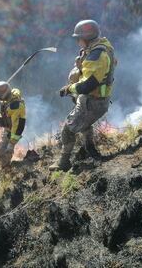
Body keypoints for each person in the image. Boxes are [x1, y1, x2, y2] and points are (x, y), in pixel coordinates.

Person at [49, 19, 116, 171]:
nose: (78, 42)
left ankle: (64, 162)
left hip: (93, 101)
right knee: (85, 125)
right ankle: (90, 150)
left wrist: (68, 89)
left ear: (86, 38)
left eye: (78, 39)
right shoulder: (100, 47)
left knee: (67, 129)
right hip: (94, 99)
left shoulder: (97, 55)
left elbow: (88, 86)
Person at [0, 81, 26, 166]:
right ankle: (4, 164)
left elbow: (18, 125)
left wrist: (11, 143)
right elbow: (1, 111)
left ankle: (7, 169)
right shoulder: (5, 101)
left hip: (14, 131)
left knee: (6, 154)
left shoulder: (15, 106)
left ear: (4, 94)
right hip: (7, 128)